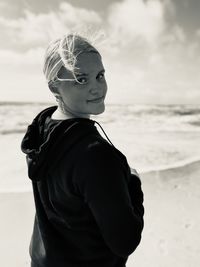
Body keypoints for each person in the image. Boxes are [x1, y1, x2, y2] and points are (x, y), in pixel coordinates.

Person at [21, 33, 144, 267]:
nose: (97, 88)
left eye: (99, 76)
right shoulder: (95, 155)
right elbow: (125, 241)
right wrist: (134, 184)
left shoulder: (42, 132)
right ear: (54, 87)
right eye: (81, 80)